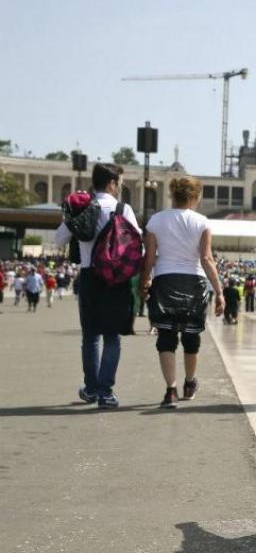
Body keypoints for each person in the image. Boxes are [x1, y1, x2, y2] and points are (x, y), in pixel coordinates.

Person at [55, 163, 140, 408]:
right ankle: (105, 391)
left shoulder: (82, 206)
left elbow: (60, 238)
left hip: (89, 275)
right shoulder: (122, 208)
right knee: (112, 336)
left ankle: (91, 388)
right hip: (115, 277)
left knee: (90, 336)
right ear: (112, 183)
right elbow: (138, 245)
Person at [140, 176, 225, 409]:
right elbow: (206, 259)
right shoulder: (202, 222)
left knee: (166, 337)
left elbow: (149, 257)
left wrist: (143, 282)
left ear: (172, 195)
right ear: (196, 197)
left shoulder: (156, 221)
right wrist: (219, 291)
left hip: (165, 280)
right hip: (194, 283)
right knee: (191, 337)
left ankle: (170, 390)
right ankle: (189, 383)